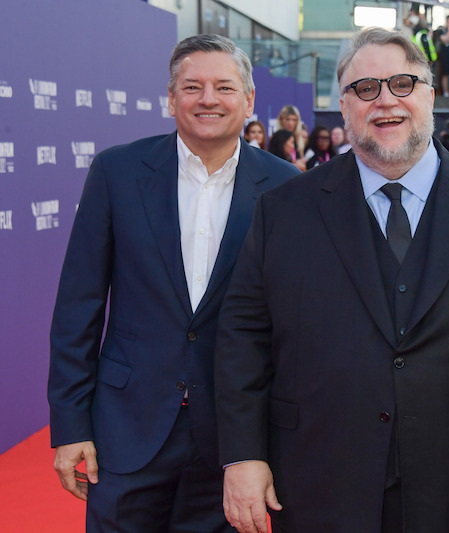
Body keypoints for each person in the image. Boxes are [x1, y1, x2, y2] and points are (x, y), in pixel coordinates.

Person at [214, 26, 449, 533]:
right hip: (320, 479)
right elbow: (243, 339)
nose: (386, 101)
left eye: (403, 83)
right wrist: (243, 456)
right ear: (344, 105)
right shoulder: (285, 211)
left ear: (430, 94)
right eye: (366, 88)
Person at [47, 34, 298, 532]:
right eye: (192, 86)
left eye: (224, 87)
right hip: (126, 427)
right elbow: (79, 305)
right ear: (170, 98)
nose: (208, 99)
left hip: (233, 437)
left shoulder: (288, 187)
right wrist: (70, 424)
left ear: (248, 100)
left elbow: (294, 324)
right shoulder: (117, 172)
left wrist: (275, 442)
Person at [277, 104, 306, 171]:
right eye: (288, 119)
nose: (291, 123)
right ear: (281, 120)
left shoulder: (299, 140)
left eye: (294, 120)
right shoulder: (276, 138)